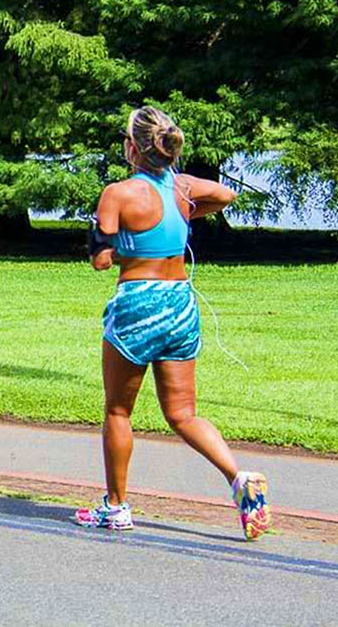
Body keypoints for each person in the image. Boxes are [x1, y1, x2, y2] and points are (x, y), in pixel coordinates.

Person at [74, 106, 271, 541]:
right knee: (183, 414)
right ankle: (239, 478)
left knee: (118, 409)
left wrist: (115, 242)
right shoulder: (182, 189)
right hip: (181, 304)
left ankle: (116, 507)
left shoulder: (117, 193)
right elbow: (225, 194)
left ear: (132, 148)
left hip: (139, 304)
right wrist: (184, 214)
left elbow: (101, 261)